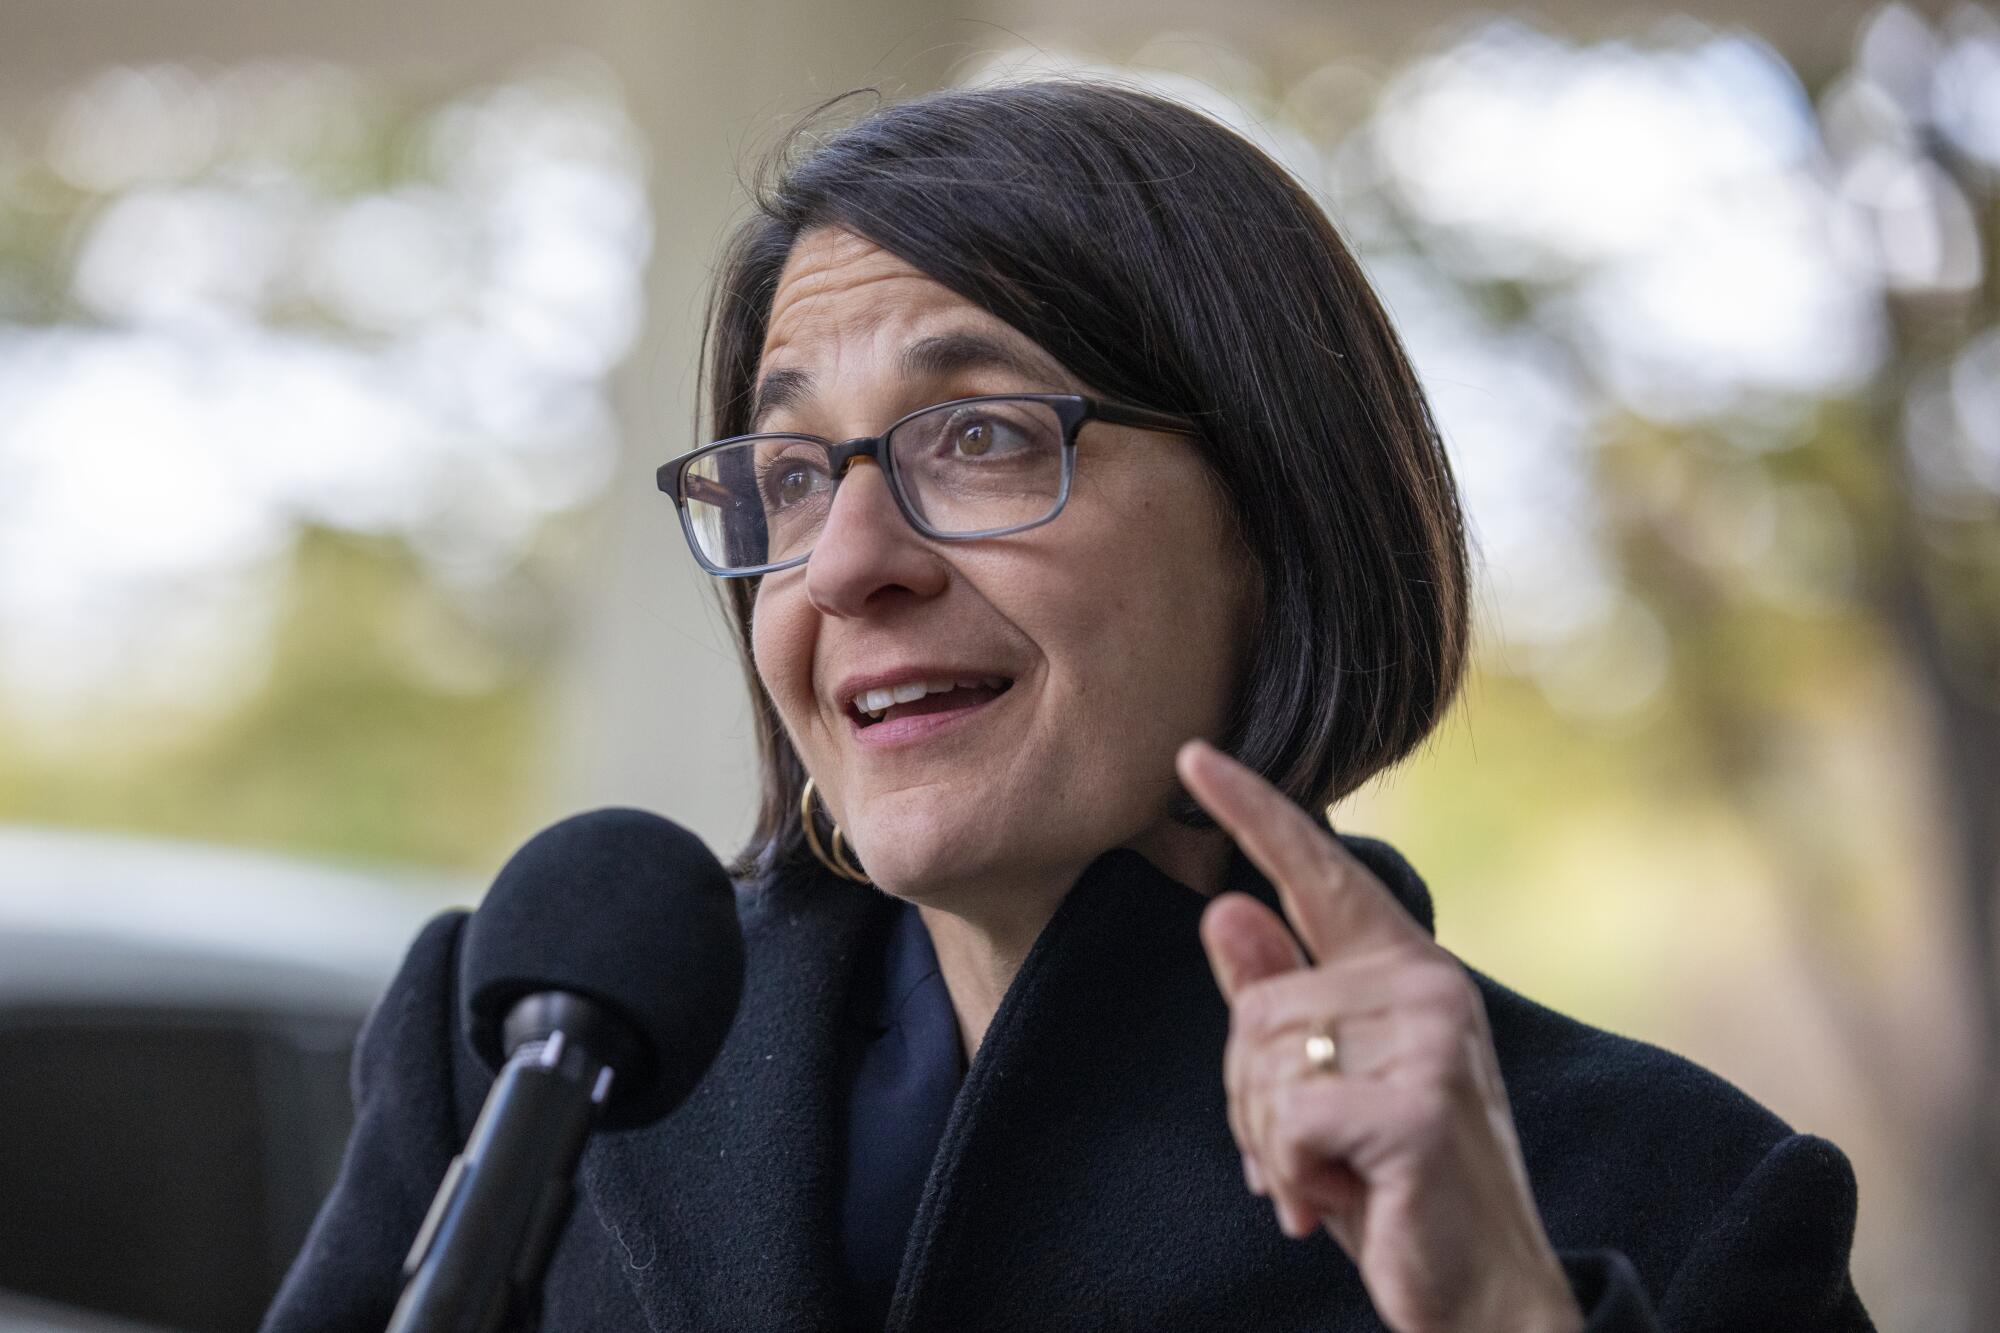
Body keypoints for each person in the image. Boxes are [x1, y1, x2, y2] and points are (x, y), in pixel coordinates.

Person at [264, 80, 1874, 1332]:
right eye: (796, 470)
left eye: (979, 437)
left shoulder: (1666, 1195)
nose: (847, 565)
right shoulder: (519, 1058)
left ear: (1274, 518)